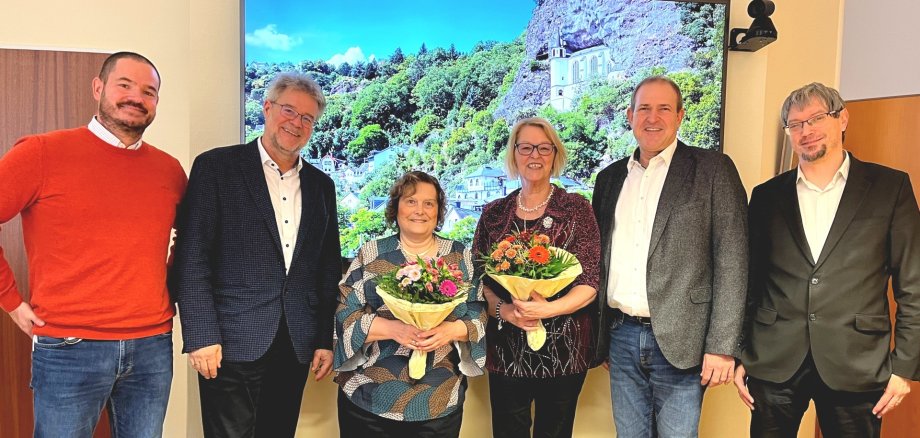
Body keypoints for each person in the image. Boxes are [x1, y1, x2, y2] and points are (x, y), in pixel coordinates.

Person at [0, 51, 186, 437]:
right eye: (125, 85)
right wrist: (11, 300)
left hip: (152, 345)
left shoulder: (169, 170)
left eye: (149, 92)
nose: (137, 97)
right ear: (98, 87)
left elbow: (184, 248)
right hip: (69, 346)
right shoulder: (40, 152)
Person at [734, 82, 920, 437]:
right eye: (795, 124)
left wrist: (906, 365)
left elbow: (913, 282)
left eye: (817, 118)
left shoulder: (889, 188)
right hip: (775, 361)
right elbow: (749, 280)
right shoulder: (766, 196)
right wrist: (742, 351)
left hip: (857, 361)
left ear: (842, 118)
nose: (806, 131)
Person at [172, 72, 341, 438]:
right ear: (267, 108)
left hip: (295, 341)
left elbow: (327, 268)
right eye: (289, 110)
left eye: (307, 118)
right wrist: (200, 334)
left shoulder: (322, 186)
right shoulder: (217, 167)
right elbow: (192, 257)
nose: (296, 123)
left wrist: (323, 339)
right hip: (228, 341)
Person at [592, 75, 748, 437]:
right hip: (621, 336)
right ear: (630, 116)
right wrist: (599, 337)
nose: (653, 117)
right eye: (644, 108)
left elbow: (734, 260)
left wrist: (723, 347)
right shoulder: (610, 178)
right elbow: (599, 259)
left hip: (685, 341)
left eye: (664, 108)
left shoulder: (713, 170)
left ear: (680, 116)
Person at [472, 117, 601, 438]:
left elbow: (590, 281)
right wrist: (505, 311)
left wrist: (545, 310)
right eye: (526, 147)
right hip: (506, 349)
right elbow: (479, 280)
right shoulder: (494, 214)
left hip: (565, 349)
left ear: (555, 155)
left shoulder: (576, 209)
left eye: (545, 148)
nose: (535, 156)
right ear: (514, 154)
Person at [334, 170, 486, 438]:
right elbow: (345, 313)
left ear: (439, 212)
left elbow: (478, 312)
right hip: (369, 399)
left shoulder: (459, 255)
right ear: (395, 208)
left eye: (429, 203)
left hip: (438, 401)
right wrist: (395, 330)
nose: (420, 211)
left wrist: (449, 331)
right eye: (411, 201)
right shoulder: (372, 253)